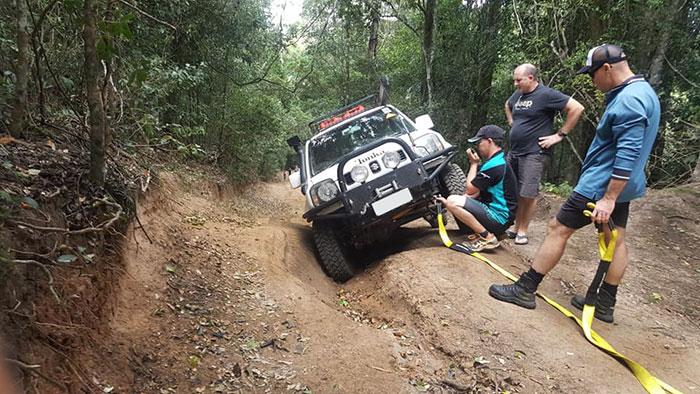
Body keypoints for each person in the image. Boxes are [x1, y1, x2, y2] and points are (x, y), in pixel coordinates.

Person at [489, 44, 661, 323]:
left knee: (557, 228)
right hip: (623, 185)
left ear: (607, 69)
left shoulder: (629, 100)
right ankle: (604, 303)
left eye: (593, 74)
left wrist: (607, 198)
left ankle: (525, 288)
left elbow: (628, 151)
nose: (592, 81)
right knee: (614, 239)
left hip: (602, 185)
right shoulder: (644, 93)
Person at [505, 64, 584, 245]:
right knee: (515, 191)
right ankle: (515, 227)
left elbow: (577, 108)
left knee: (528, 192)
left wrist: (559, 135)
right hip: (515, 151)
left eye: (519, 80)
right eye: (514, 80)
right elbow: (507, 105)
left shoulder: (546, 94)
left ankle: (523, 230)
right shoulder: (518, 95)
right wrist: (512, 123)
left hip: (534, 152)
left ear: (531, 78)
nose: (516, 84)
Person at [435, 125, 518, 252]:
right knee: (455, 201)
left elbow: (470, 189)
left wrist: (473, 164)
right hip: (502, 218)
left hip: (499, 218)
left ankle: (487, 237)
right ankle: (495, 233)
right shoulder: (498, 160)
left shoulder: (495, 165)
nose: (477, 146)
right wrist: (448, 204)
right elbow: (475, 193)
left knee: (453, 200)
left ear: (489, 141)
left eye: (479, 142)